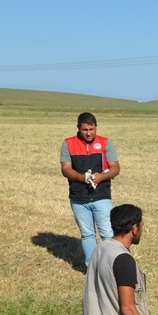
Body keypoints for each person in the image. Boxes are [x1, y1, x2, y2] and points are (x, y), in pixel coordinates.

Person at [61, 112, 121, 267]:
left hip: (102, 196)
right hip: (78, 198)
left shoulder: (105, 143)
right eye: (85, 129)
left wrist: (100, 177)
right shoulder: (68, 144)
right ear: (78, 129)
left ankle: (112, 267)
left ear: (96, 127)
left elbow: (115, 168)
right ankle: (92, 268)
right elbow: (66, 169)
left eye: (92, 129)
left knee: (107, 234)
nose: (89, 133)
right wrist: (83, 178)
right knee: (87, 235)